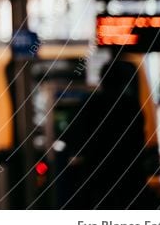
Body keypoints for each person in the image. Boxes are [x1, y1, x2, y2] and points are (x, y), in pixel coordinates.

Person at [60, 55, 147, 209]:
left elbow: (72, 136)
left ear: (101, 79)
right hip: (128, 178)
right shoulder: (131, 106)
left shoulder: (90, 105)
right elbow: (139, 141)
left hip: (97, 177)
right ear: (124, 81)